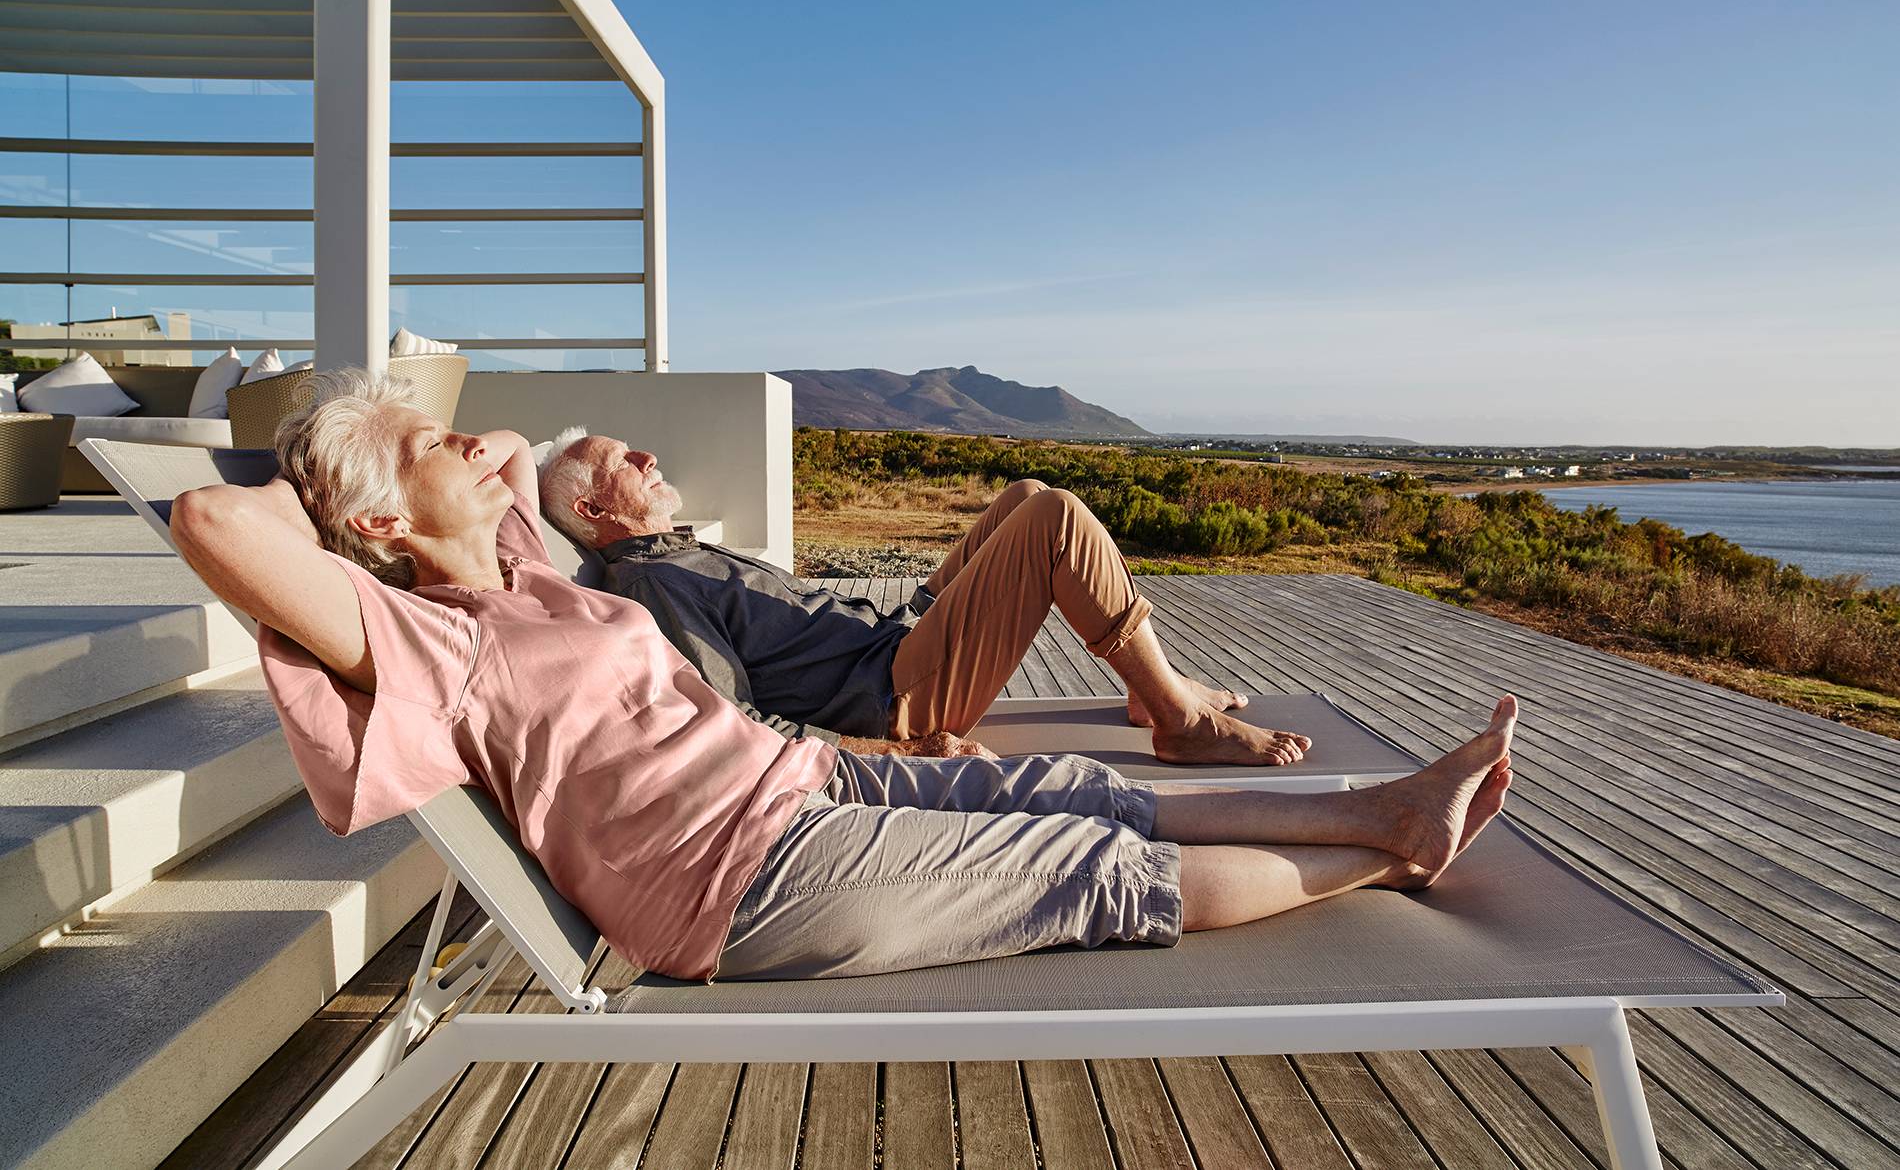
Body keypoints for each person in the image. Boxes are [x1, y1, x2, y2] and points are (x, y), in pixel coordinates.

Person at [171, 369, 1515, 983]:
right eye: (430, 446)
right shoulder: (423, 634)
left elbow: (520, 444)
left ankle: (1376, 795)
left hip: (801, 778)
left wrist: (413, 450)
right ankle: (1389, 843)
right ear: (378, 529)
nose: (468, 438)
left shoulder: (529, 567)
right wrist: (333, 484)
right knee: (1078, 862)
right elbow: (212, 525)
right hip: (732, 877)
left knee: (1070, 782)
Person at [538, 430, 1316, 766]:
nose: (647, 455)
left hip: (890, 636)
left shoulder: (673, 552)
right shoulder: (653, 586)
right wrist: (905, 752)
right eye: (622, 461)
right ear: (597, 514)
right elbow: (733, 724)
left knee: (1026, 492)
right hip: (894, 693)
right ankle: (1178, 721)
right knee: (1056, 520)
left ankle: (1154, 688)